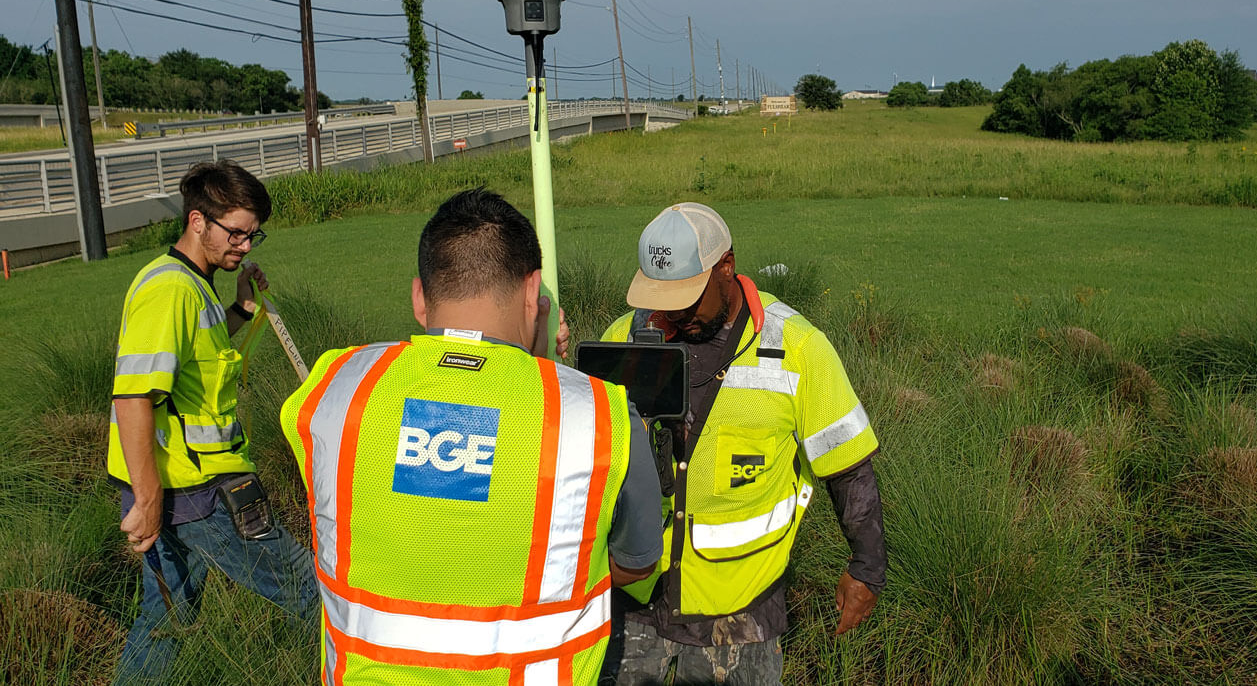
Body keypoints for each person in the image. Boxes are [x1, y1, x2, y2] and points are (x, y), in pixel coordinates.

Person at [280, 187, 662, 685]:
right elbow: (635, 562)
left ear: (420, 297)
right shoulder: (600, 415)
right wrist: (544, 372)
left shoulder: (336, 389)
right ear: (533, 293)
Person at [601, 203, 887, 684]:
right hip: (636, 600)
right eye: (662, 297)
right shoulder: (626, 337)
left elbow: (849, 469)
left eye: (688, 297)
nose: (673, 312)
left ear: (726, 268)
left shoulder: (796, 347)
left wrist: (867, 568)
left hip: (742, 614)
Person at [110, 160, 317, 683]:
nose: (246, 246)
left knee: (166, 623)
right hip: (195, 491)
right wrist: (149, 500)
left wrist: (241, 310)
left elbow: (191, 366)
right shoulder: (170, 290)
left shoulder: (194, 286)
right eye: (237, 233)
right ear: (198, 221)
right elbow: (134, 397)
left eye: (253, 236)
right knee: (309, 592)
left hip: (189, 483)